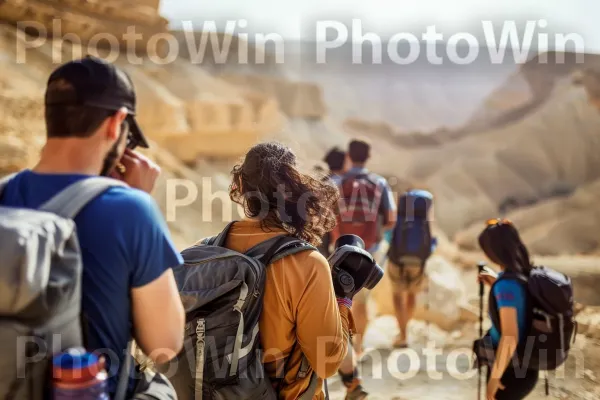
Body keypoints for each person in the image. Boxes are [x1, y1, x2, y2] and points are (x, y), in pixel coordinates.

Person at [0, 56, 185, 396]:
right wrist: (140, 203)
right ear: (116, 124)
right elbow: (164, 344)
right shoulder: (131, 209)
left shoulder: (4, 193)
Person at [197, 142, 355, 399]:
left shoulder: (203, 251)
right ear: (294, 190)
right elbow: (327, 362)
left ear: (240, 188)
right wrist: (343, 301)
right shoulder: (308, 263)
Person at [334, 139, 397, 399]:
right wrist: (377, 237)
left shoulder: (337, 182)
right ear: (368, 156)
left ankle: (343, 349)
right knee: (360, 301)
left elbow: (325, 215)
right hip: (368, 252)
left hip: (338, 250)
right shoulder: (379, 183)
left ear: (349, 156)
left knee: (339, 302)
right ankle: (357, 347)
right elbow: (391, 218)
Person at [477, 218, 539, 400]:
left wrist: (494, 380)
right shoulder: (524, 274)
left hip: (510, 371)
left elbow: (510, 337)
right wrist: (496, 282)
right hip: (524, 365)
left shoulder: (507, 285)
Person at [386, 189, 437, 349]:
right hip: (418, 262)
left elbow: (389, 235)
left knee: (397, 296)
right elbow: (433, 241)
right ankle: (404, 331)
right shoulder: (424, 220)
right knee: (412, 295)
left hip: (397, 259)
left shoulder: (399, 216)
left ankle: (402, 335)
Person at [317, 147, 349, 257]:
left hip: (318, 232)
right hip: (331, 234)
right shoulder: (341, 183)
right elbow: (331, 212)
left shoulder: (322, 181)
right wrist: (336, 238)